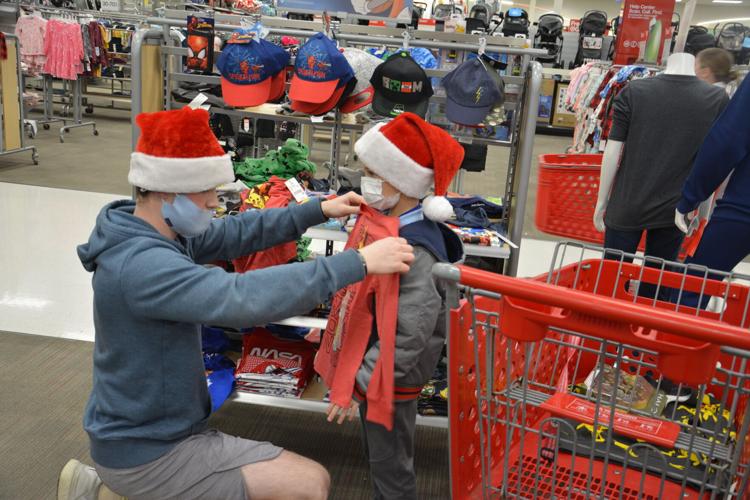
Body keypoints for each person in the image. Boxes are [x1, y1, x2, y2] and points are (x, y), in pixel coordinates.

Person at [57, 106, 415, 500]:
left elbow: (233, 232)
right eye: (206, 190)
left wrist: (315, 210)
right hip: (150, 452)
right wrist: (358, 263)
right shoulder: (142, 264)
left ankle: (106, 491)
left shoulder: (151, 231)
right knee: (310, 484)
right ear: (168, 190)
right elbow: (239, 298)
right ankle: (115, 491)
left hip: (152, 432)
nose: (214, 202)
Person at [324, 113, 465, 500]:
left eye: (372, 171)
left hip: (391, 380)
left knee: (390, 465)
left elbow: (409, 332)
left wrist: (361, 382)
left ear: (401, 182)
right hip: (379, 371)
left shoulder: (415, 248)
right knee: (380, 458)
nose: (364, 179)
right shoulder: (389, 226)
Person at [676, 73, 750, 305]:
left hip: (743, 209)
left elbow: (728, 141)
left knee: (690, 288)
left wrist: (691, 197)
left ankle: (678, 338)